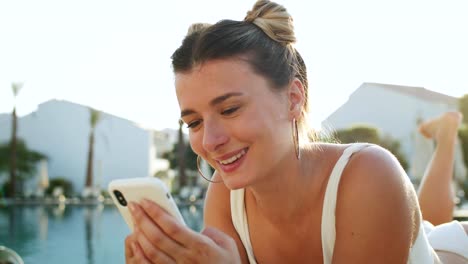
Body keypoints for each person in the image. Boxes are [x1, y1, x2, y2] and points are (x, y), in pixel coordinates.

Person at [123, 0, 468, 263]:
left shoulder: (372, 175)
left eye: (229, 110)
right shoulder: (226, 196)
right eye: (194, 122)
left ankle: (447, 135)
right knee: (430, 224)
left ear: (293, 99)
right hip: (401, 233)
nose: (210, 141)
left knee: (442, 238)